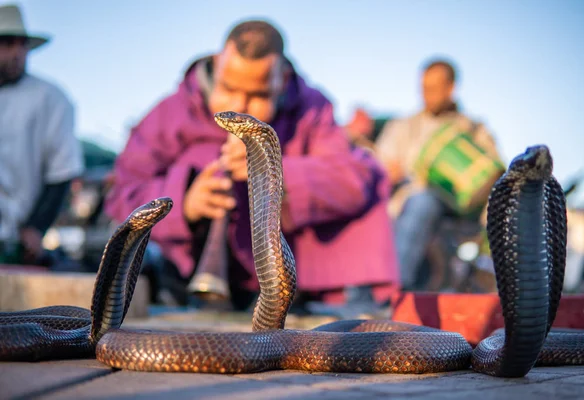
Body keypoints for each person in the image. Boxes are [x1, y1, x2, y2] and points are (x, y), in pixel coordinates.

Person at [104, 19, 398, 310]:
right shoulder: (170, 112)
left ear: (281, 79)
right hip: (186, 273)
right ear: (218, 64)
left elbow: (351, 179)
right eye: (229, 88)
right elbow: (123, 194)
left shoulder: (313, 108)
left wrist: (274, 172)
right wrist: (185, 203)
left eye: (258, 95)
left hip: (285, 280)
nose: (240, 105)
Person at [374, 58, 501, 290]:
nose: (427, 95)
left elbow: (492, 172)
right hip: (404, 202)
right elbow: (378, 166)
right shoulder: (404, 126)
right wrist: (388, 172)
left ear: (451, 88)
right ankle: (386, 290)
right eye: (424, 89)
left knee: (425, 201)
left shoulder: (473, 129)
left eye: (433, 89)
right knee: (417, 202)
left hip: (458, 209)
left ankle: (394, 289)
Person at [0, 4, 84, 265]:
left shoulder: (51, 99)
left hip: (16, 243)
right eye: (7, 43)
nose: (16, 53)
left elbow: (62, 170)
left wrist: (36, 228)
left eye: (21, 44)